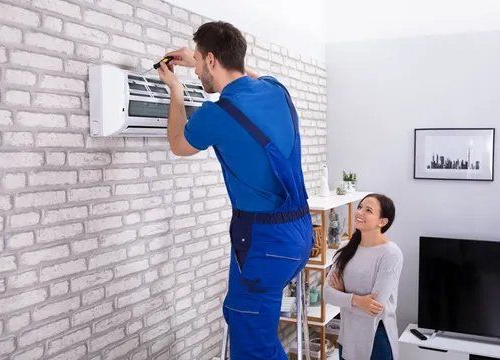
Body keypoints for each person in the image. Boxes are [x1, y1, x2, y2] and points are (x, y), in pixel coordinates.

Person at [156, 21, 313, 360]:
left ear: (211, 60)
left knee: (251, 344)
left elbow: (177, 144)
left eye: (198, 62)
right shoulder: (277, 91)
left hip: (264, 241)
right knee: (241, 317)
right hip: (298, 233)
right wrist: (198, 56)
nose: (196, 69)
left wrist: (176, 90)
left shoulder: (216, 114)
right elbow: (247, 76)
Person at [323, 194, 403, 360]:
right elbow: (327, 294)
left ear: (382, 222)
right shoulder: (346, 248)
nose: (360, 212)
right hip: (347, 337)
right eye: (360, 207)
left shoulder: (390, 254)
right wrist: (359, 301)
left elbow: (374, 309)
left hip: (376, 339)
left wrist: (343, 294)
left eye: (368, 210)